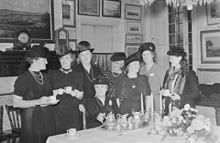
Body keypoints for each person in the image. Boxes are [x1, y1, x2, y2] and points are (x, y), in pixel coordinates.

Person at [12, 45, 56, 143]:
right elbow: (16, 103)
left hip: (48, 118)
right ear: (35, 60)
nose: (47, 62)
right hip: (32, 120)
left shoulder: (46, 76)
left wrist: (53, 98)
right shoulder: (23, 78)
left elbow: (47, 95)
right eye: (44, 59)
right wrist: (38, 101)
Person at [48, 45, 84, 134]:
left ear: (72, 59)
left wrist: (73, 93)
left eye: (67, 58)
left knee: (74, 137)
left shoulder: (78, 74)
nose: (64, 61)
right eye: (62, 58)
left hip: (73, 111)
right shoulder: (52, 74)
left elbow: (81, 96)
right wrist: (55, 92)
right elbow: (47, 94)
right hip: (57, 111)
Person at [160, 47, 199, 115]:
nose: (170, 60)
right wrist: (162, 92)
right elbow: (164, 88)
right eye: (169, 58)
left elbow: (196, 93)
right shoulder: (168, 72)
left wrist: (179, 97)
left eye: (172, 58)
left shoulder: (189, 73)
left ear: (179, 58)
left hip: (184, 109)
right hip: (169, 108)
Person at [138, 42, 165, 114]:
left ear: (152, 55)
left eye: (148, 54)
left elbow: (164, 88)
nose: (146, 57)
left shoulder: (160, 70)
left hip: (156, 101)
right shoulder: (141, 70)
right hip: (143, 101)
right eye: (144, 55)